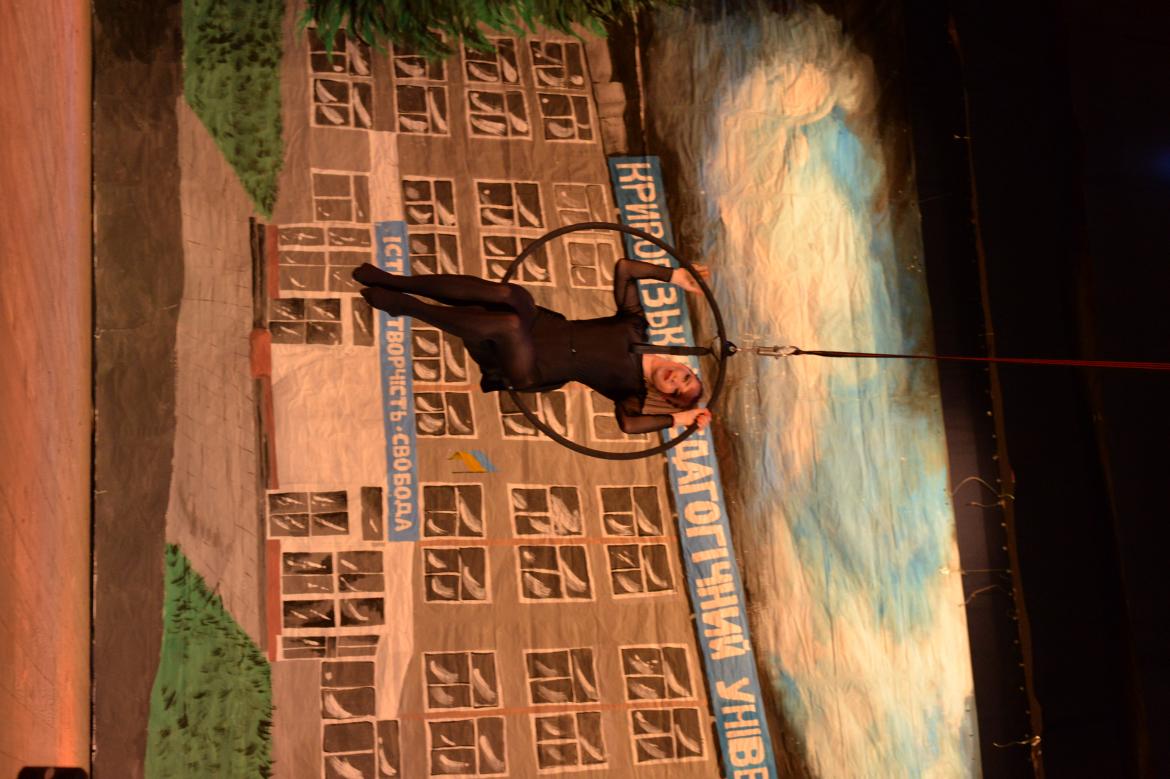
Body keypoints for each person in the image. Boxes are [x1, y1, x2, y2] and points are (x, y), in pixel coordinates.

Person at [353, 258, 712, 435]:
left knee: (508, 326)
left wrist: (679, 420)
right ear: (686, 365)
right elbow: (625, 269)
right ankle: (396, 282)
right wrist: (674, 276)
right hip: (543, 326)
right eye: (685, 377)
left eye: (676, 391)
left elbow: (629, 425)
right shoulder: (636, 325)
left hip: (533, 367)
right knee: (510, 295)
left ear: (663, 396)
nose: (675, 379)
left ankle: (408, 307)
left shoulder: (631, 392)